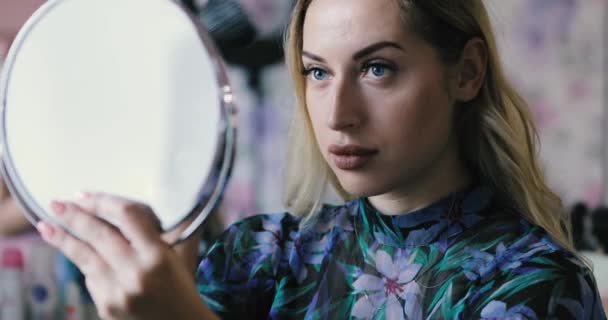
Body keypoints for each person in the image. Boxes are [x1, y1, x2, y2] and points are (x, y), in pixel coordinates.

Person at [35, 0, 607, 319]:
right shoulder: (262, 257)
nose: (337, 114)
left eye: (376, 68)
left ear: (466, 72)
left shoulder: (536, 289)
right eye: (317, 72)